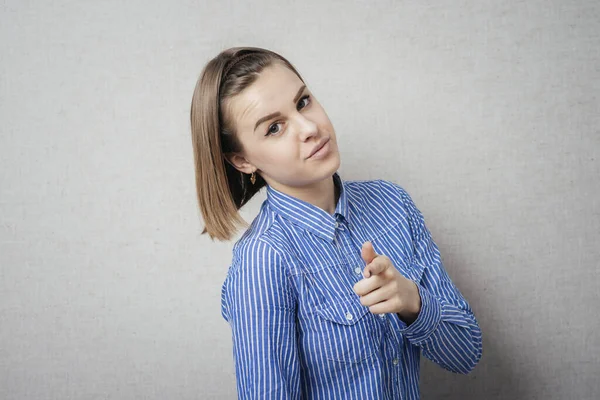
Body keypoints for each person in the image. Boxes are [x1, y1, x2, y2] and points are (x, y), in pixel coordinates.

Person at [190, 46, 482, 399]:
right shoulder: (263, 259)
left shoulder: (393, 204)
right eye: (275, 127)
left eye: (302, 102)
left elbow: (466, 353)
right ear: (242, 161)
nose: (310, 128)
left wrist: (411, 301)